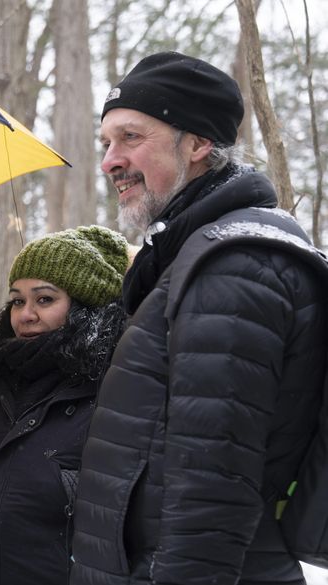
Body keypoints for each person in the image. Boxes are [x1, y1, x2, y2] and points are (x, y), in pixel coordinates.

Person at [70, 51, 328, 585]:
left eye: (131, 138)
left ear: (198, 143)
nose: (109, 161)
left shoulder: (234, 268)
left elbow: (212, 485)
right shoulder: (195, 255)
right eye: (106, 143)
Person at [0, 226, 129, 585]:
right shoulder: (4, 385)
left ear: (85, 306)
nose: (26, 315)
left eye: (45, 299)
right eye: (18, 300)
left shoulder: (116, 389)